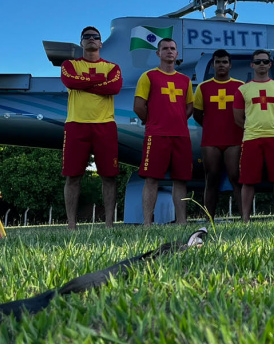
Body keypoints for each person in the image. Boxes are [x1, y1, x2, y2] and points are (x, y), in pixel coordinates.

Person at [60, 26, 122, 230]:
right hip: (76, 124)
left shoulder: (112, 67)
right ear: (81, 42)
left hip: (105, 125)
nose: (91, 39)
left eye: (95, 36)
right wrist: (99, 82)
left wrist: (84, 83)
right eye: (86, 37)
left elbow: (114, 87)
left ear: (101, 43)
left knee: (109, 176)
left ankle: (109, 224)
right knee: (72, 176)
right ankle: (71, 225)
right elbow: (70, 81)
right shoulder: (70, 65)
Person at [133, 38, 193, 225]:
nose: (169, 51)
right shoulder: (148, 76)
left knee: (180, 180)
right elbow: (138, 106)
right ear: (158, 53)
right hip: (156, 135)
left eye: (172, 48)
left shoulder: (185, 80)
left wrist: (177, 120)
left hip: (181, 136)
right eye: (165, 48)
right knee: (151, 179)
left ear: (177, 54)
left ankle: (181, 221)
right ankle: (147, 223)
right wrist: (152, 121)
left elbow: (189, 107)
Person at [234, 49, 274, 221]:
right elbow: (238, 118)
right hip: (251, 138)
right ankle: (245, 218)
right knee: (247, 180)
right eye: (258, 61)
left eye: (265, 61)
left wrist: (273, 126)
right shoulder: (243, 89)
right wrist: (252, 128)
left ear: (270, 64)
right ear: (252, 65)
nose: (261, 64)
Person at [193, 49, 244, 218]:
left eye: (224, 62)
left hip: (234, 139)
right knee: (212, 178)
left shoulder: (240, 86)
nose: (221, 65)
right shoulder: (203, 87)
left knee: (236, 177)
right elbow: (198, 114)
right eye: (218, 62)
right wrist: (211, 126)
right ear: (213, 65)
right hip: (211, 140)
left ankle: (245, 218)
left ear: (230, 65)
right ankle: (209, 218)